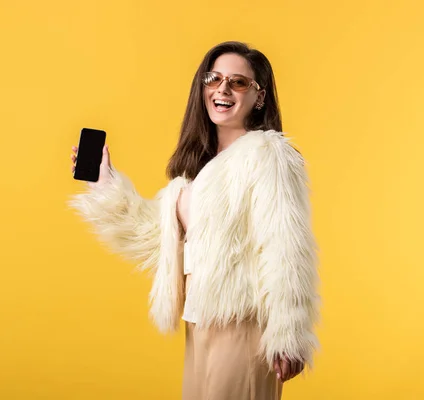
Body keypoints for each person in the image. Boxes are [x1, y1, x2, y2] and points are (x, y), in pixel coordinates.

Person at [68, 41, 320, 400]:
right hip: (200, 322)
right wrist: (105, 184)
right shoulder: (197, 175)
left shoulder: (268, 155)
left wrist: (289, 332)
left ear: (259, 97)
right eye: (214, 78)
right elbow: (159, 241)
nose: (223, 89)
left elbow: (286, 245)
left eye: (238, 82)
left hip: (244, 327)